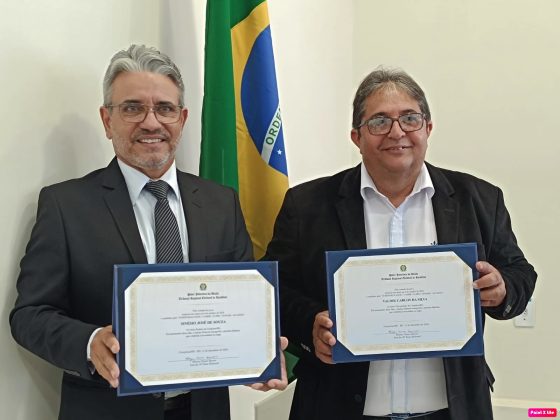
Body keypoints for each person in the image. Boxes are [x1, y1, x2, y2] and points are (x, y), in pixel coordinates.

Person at [10, 44, 286, 420]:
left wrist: (257, 348)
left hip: (202, 410)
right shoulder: (65, 206)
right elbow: (29, 315)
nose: (151, 123)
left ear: (182, 119)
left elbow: (239, 302)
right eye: (132, 108)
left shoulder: (221, 203)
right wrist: (89, 343)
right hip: (106, 410)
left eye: (165, 108)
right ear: (107, 120)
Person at [263, 68, 537, 420]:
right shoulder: (307, 206)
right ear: (356, 136)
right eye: (379, 121)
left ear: (428, 128)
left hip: (452, 410)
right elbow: (273, 291)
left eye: (409, 118)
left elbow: (520, 273)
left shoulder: (479, 198)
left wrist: (502, 288)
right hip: (337, 406)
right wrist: (310, 325)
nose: (397, 132)